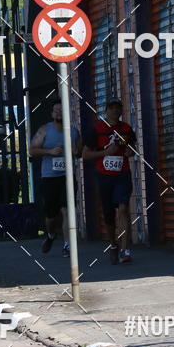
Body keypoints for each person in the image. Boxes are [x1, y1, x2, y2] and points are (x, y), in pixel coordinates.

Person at [83, 99, 137, 264]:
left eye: (118, 108)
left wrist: (130, 152)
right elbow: (85, 154)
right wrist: (105, 153)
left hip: (123, 174)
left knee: (123, 208)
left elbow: (132, 148)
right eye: (111, 108)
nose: (114, 111)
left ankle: (125, 250)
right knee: (109, 215)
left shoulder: (126, 128)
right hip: (104, 175)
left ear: (121, 111)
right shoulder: (96, 129)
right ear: (106, 111)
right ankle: (113, 244)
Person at [29, 100, 81, 256]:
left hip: (67, 177)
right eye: (55, 110)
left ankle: (67, 246)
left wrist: (75, 151)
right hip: (49, 177)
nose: (58, 113)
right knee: (51, 216)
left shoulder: (73, 131)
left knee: (67, 210)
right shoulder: (45, 130)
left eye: (61, 110)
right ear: (52, 114)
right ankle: (51, 235)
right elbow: (32, 150)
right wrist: (49, 151)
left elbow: (79, 152)